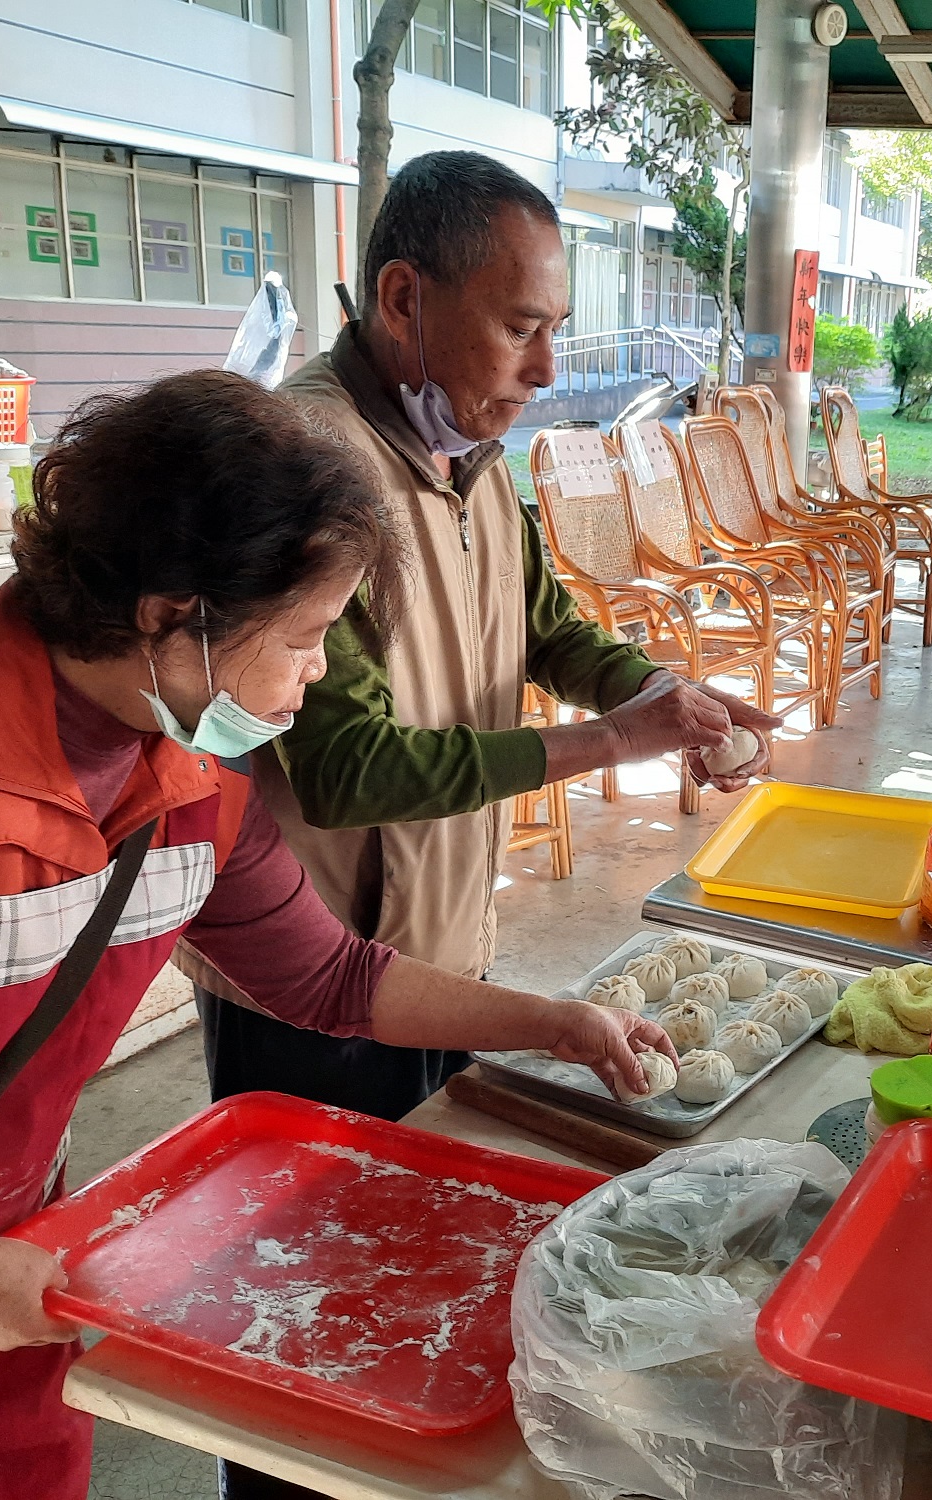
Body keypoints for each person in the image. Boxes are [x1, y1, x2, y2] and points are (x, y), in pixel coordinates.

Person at [0, 372, 671, 1500]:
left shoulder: (190, 778)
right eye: (309, 636)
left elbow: (328, 978)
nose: (319, 672)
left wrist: (556, 1024)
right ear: (170, 615)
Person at [192, 150, 779, 1126]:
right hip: (318, 976)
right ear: (401, 297)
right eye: (519, 329)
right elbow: (343, 771)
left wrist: (665, 702)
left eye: (554, 331)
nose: (546, 369)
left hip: (445, 946)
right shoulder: (298, 462)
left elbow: (544, 627)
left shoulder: (469, 453)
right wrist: (606, 743)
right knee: (328, 1240)